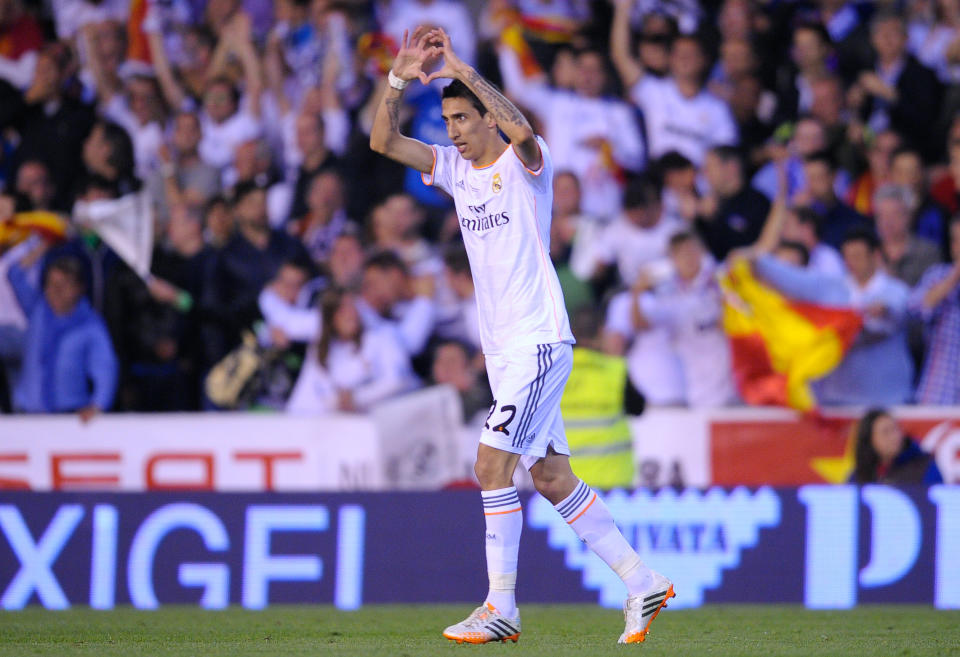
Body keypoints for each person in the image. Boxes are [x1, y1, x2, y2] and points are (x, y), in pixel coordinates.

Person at [369, 26, 673, 645]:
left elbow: (523, 130)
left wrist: (462, 66)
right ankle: (643, 582)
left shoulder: (525, 165)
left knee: (489, 465)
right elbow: (382, 141)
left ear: (487, 117)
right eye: (448, 118)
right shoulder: (452, 169)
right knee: (552, 477)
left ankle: (500, 604)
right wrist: (399, 78)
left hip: (539, 339)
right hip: (506, 352)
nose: (452, 129)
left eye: (462, 117)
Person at [8, 250, 117, 419]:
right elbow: (14, 273)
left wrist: (98, 404)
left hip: (67, 417)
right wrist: (46, 244)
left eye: (63, 285)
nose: (55, 291)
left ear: (79, 288)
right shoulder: (37, 309)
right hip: (27, 413)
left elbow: (105, 367)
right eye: (51, 284)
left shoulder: (90, 325)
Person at [285, 287, 416, 413]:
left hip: (384, 418)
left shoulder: (382, 336)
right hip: (337, 423)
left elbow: (398, 380)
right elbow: (307, 396)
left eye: (352, 307)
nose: (350, 314)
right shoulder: (321, 349)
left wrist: (356, 398)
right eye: (341, 310)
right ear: (330, 318)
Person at [910, 216, 960, 405]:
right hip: (939, 393)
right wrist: (954, 277)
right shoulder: (938, 274)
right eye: (957, 240)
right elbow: (916, 307)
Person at [852, 408, 943, 484]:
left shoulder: (924, 467)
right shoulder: (860, 473)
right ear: (869, 439)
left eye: (896, 429)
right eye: (886, 432)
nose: (895, 437)